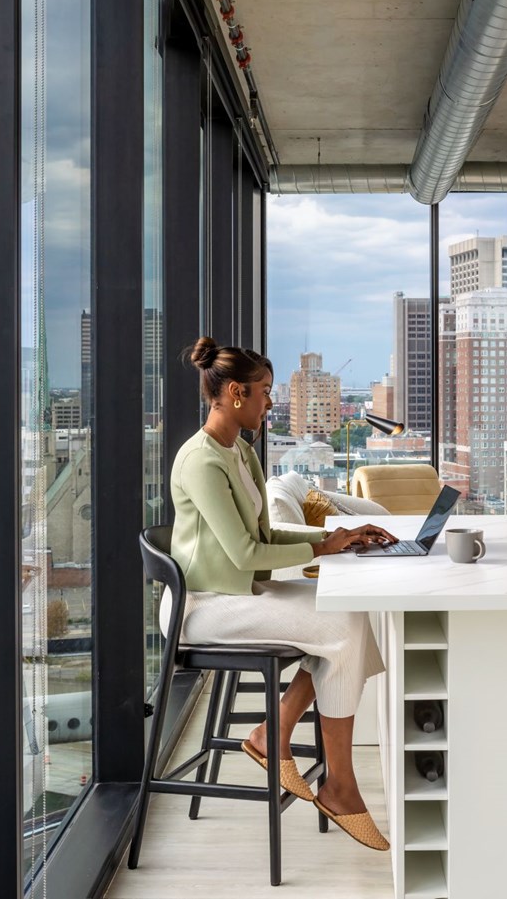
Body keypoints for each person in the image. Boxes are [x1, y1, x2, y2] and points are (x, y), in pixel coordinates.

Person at [163, 336, 398, 851]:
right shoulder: (202, 462)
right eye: (266, 391)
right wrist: (323, 549)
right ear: (234, 393)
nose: (273, 401)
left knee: (349, 620)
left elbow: (266, 536)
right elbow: (247, 554)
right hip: (202, 607)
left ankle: (282, 740)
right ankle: (335, 782)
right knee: (342, 628)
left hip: (239, 592)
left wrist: (335, 537)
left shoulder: (241, 452)